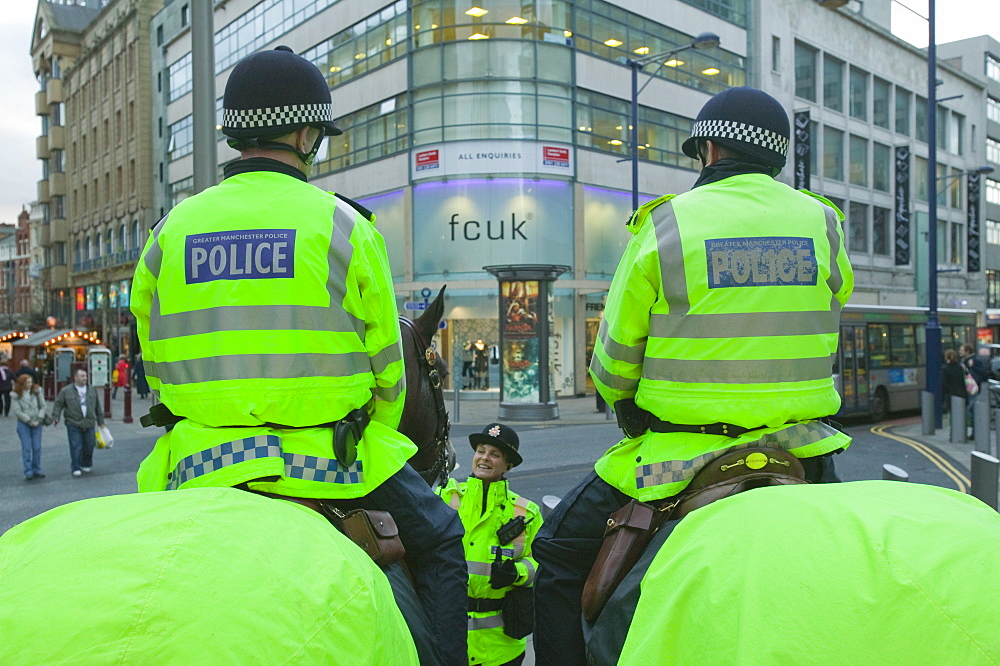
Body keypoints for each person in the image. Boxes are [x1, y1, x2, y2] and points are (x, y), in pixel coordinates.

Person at [130, 46, 466, 665]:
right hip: (324, 462)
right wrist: (369, 435)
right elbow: (390, 372)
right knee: (445, 540)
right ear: (306, 133)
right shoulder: (344, 226)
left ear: (235, 131)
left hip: (195, 460)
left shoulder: (172, 229)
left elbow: (151, 353)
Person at [532, 86, 855, 665]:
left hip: (680, 458)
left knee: (555, 557)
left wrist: (626, 395)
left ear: (707, 148)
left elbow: (610, 366)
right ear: (777, 157)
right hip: (804, 448)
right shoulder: (823, 223)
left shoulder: (666, 224)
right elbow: (834, 303)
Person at [437, 424, 542, 666]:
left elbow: (541, 563)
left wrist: (517, 573)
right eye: (480, 451)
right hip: (450, 638)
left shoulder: (527, 513)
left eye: (494, 454)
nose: (484, 458)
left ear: (508, 465)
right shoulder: (445, 497)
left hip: (502, 648)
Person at [52, 368, 105, 477]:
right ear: (75, 378)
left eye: (85, 376)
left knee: (89, 445)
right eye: (82, 376)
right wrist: (56, 417)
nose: (84, 378)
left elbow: (97, 407)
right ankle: (75, 466)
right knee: (76, 446)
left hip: (89, 422)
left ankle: (86, 463)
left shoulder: (92, 390)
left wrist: (101, 422)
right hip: (73, 423)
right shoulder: (66, 391)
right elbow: (59, 404)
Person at [11, 373, 47, 481]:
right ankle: (28, 470)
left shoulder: (36, 392)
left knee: (37, 447)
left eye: (31, 382)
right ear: (22, 384)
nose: (30, 384)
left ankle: (37, 469)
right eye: (27, 382)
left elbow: (43, 406)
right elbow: (17, 411)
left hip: (37, 421)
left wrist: (40, 418)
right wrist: (29, 421)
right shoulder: (16, 395)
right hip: (24, 423)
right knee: (26, 448)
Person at [942, 348, 968, 413]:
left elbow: (944, 384)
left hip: (951, 395)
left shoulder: (945, 369)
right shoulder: (961, 367)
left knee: (952, 414)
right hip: (962, 394)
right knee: (961, 413)